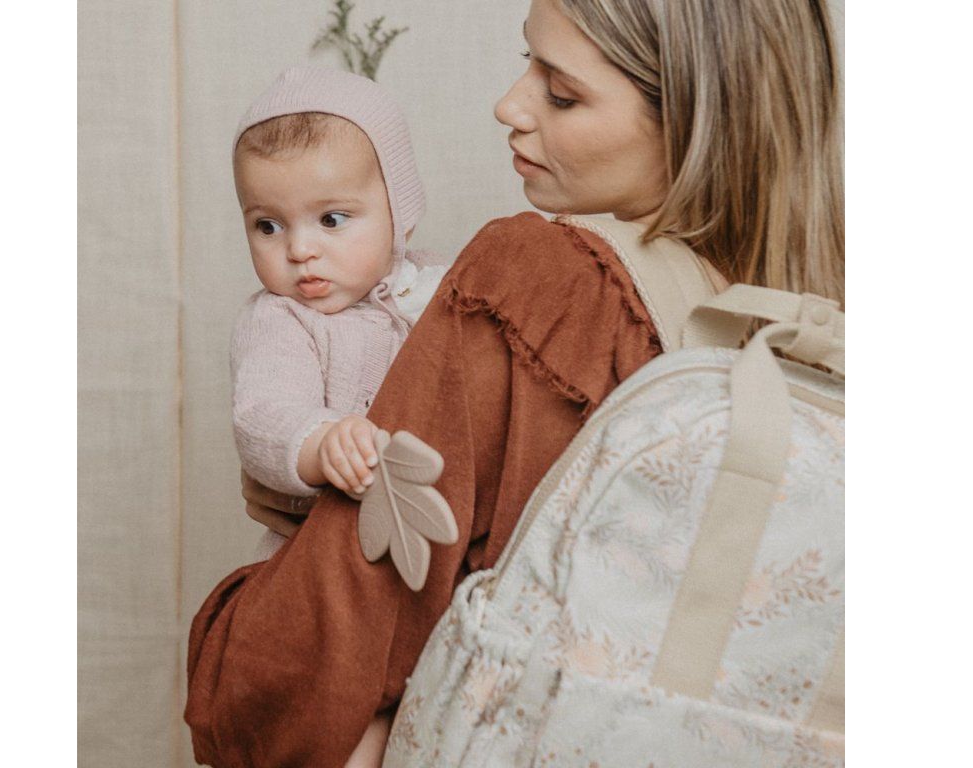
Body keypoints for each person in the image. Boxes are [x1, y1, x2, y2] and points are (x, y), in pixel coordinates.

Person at [185, 0, 844, 766]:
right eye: (525, 63)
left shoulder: (539, 283)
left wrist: (229, 640)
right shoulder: (802, 315)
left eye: (560, 93)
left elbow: (300, 674)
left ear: (697, 118)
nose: (510, 105)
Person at [228, 66, 446, 561]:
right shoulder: (280, 320)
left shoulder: (444, 285)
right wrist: (323, 443)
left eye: (331, 219)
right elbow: (263, 414)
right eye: (268, 226)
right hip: (323, 557)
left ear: (400, 213)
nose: (299, 249)